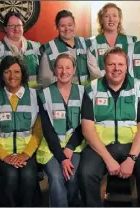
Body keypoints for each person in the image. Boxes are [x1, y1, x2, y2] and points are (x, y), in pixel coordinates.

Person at [78, 47, 140, 206]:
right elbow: (87, 129)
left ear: (127, 66)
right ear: (104, 66)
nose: (116, 69)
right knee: (86, 173)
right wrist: (108, 159)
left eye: (120, 64)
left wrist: (131, 159)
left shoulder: (139, 88)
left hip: (133, 146)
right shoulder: (91, 88)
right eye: (111, 64)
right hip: (100, 147)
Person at [0, 56, 42, 206]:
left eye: (16, 71)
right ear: (1, 74)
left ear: (23, 74)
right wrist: (5, 156)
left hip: (28, 152)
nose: (12, 76)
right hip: (1, 153)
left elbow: (39, 132)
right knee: (10, 175)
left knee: (28, 175)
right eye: (7, 71)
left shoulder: (36, 96)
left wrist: (25, 154)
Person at [37, 54, 85, 207]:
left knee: (73, 176)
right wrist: (62, 157)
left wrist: (70, 148)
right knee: (56, 177)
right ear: (54, 70)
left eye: (68, 67)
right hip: (51, 148)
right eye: (60, 67)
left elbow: (84, 125)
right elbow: (47, 129)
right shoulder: (43, 95)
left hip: (75, 146)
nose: (64, 71)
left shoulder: (84, 93)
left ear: (74, 70)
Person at [0, 11, 41, 88]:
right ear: (5, 28)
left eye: (19, 25)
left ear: (23, 27)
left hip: (34, 95)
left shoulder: (36, 47)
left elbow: (43, 76)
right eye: (11, 26)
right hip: (8, 96)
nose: (16, 29)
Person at [39, 10, 90, 88]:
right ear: (57, 27)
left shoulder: (86, 44)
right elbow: (46, 82)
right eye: (62, 26)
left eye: (70, 25)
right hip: (62, 97)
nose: (67, 29)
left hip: (86, 94)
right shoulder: (49, 50)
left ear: (74, 25)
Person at [87, 3, 137, 79]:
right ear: (101, 19)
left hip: (126, 87)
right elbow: (94, 71)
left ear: (119, 19)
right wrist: (111, 80)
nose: (111, 19)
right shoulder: (92, 42)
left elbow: (133, 68)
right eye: (107, 16)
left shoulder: (130, 41)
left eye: (114, 16)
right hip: (101, 87)